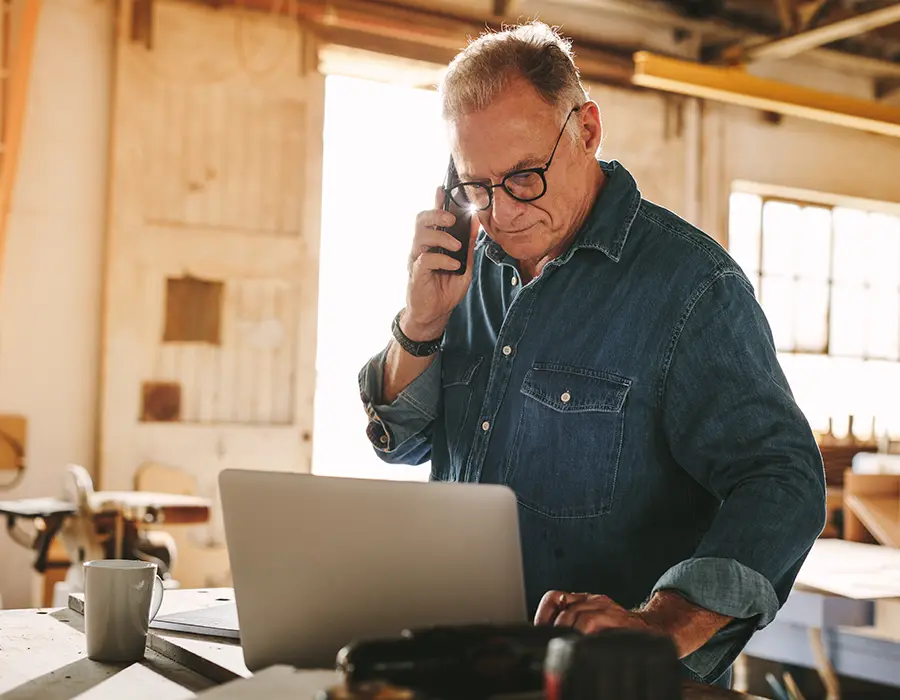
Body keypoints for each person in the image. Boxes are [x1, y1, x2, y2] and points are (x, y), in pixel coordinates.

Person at [357, 20, 826, 688]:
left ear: (587, 130)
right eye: (475, 187)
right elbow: (397, 443)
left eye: (523, 177)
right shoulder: (466, 269)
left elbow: (783, 480)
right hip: (466, 667)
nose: (501, 213)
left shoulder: (691, 288)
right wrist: (422, 320)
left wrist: (664, 625)